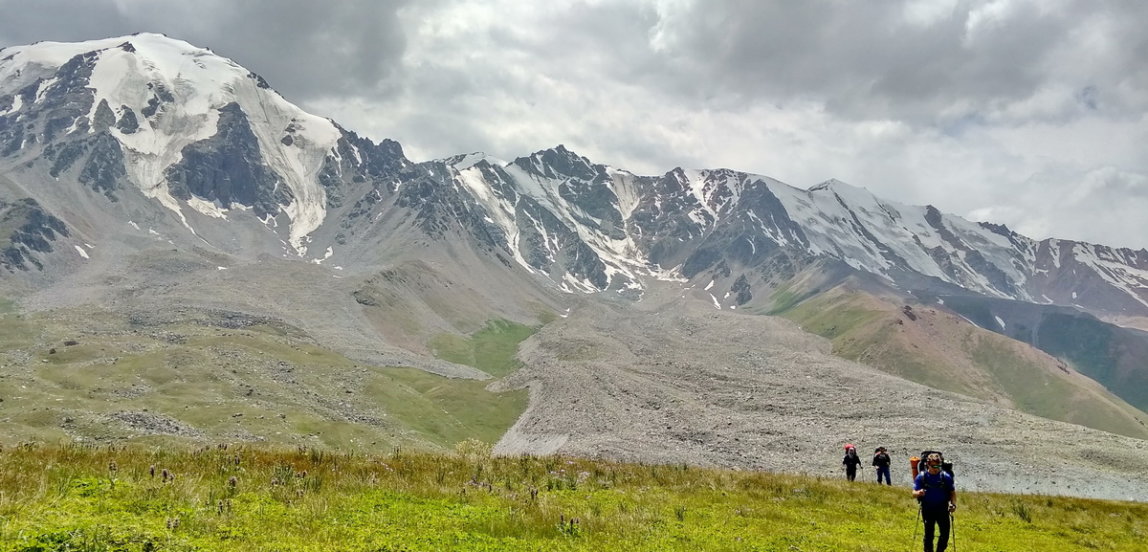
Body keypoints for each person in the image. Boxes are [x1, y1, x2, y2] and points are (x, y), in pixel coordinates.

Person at [911, 453, 956, 552]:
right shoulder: (922, 477)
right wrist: (919, 492)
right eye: (933, 466)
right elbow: (913, 493)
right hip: (928, 509)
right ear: (928, 464)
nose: (936, 468)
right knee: (929, 534)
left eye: (938, 466)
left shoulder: (945, 477)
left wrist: (953, 504)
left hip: (943, 508)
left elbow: (952, 493)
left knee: (945, 534)